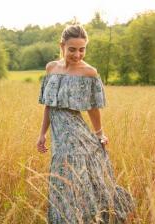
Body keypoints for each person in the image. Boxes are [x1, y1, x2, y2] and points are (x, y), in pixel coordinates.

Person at [36, 24, 136, 224]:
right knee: (62, 177)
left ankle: (80, 218)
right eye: (72, 49)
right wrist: (42, 134)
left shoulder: (88, 73)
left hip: (75, 133)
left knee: (70, 176)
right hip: (58, 135)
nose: (77, 54)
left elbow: (92, 108)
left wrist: (100, 133)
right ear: (62, 45)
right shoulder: (51, 68)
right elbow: (49, 106)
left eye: (82, 49)